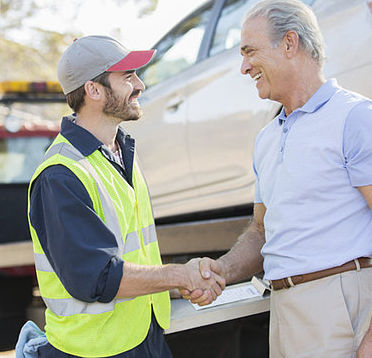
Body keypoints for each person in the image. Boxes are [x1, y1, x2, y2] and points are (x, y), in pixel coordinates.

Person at [183, 0, 372, 357]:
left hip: (339, 306)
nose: (244, 67)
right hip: (282, 310)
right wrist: (221, 270)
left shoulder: (357, 118)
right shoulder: (267, 138)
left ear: (290, 43)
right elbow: (262, 232)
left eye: (250, 51)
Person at [17, 35, 224, 358]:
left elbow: (135, 252)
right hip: (94, 349)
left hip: (143, 338)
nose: (140, 85)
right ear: (94, 90)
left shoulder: (121, 153)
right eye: (127, 76)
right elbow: (96, 277)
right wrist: (179, 274)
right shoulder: (61, 174)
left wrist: (177, 284)